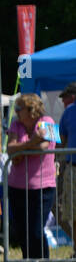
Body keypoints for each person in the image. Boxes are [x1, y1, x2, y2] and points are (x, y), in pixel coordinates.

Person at [5, 92, 57, 262]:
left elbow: (44, 148)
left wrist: (21, 150)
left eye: (20, 108)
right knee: (22, 230)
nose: (17, 111)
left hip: (43, 186)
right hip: (17, 186)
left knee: (36, 229)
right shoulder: (15, 124)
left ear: (31, 110)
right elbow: (9, 148)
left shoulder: (49, 121)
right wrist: (31, 143)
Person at [56, 81, 76, 244]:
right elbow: (62, 141)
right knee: (73, 213)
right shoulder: (68, 113)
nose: (63, 102)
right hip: (72, 169)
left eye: (66, 98)